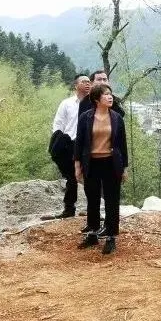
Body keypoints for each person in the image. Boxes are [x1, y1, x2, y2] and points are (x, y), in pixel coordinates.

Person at [74, 84, 128, 254]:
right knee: (93, 199)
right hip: (91, 163)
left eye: (110, 94)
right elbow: (79, 142)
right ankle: (92, 234)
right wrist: (77, 166)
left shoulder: (117, 118)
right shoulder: (85, 117)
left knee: (112, 200)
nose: (110, 97)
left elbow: (122, 145)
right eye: (105, 94)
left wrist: (124, 168)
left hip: (111, 163)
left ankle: (111, 236)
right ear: (97, 99)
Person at [50, 74, 92, 218]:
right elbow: (58, 124)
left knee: (90, 177)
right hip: (70, 144)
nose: (87, 84)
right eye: (84, 82)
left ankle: (93, 210)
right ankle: (69, 209)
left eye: (89, 82)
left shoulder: (94, 103)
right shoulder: (67, 103)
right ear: (76, 85)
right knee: (71, 177)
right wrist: (59, 141)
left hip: (88, 145)